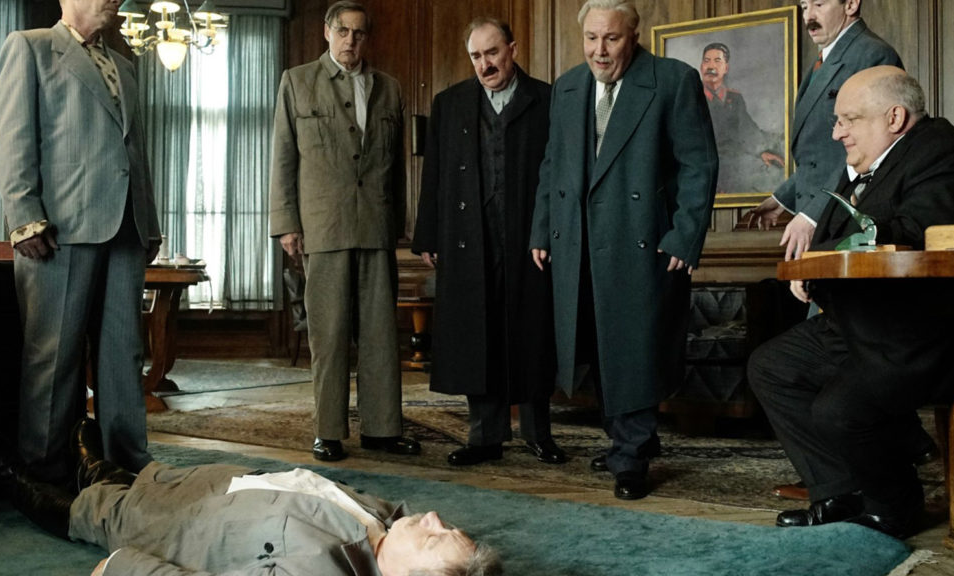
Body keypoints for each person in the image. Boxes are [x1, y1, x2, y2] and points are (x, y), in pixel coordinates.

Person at [747, 66, 954, 538]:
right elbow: (839, 233)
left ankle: (896, 505)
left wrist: (824, 262)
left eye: (849, 119)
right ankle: (841, 490)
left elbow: (916, 236)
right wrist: (815, 271)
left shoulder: (939, 150)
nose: (837, 132)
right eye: (838, 121)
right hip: (856, 323)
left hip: (910, 333)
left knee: (839, 411)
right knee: (771, 367)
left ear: (895, 117)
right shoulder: (873, 162)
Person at [529, 0, 718, 500]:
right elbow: (553, 164)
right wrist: (541, 229)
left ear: (633, 36)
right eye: (591, 38)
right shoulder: (568, 86)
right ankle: (627, 441)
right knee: (596, 344)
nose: (599, 50)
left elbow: (699, 165)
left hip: (642, 240)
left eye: (611, 38)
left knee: (634, 347)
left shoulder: (672, 80)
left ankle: (631, 457)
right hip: (578, 241)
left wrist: (685, 235)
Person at [0, 0, 161, 484]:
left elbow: (135, 152)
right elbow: (12, 137)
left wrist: (148, 223)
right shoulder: (30, 48)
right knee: (54, 356)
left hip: (125, 229)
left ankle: (124, 463)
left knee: (124, 353)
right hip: (58, 230)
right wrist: (25, 216)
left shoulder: (125, 65)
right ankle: (44, 472)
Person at [0, 420, 502, 576]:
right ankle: (96, 467)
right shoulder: (387, 521)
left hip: (184, 522)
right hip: (220, 484)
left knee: (96, 509)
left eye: (434, 538)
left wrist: (122, 569)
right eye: (445, 526)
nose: (435, 517)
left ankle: (9, 477)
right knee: (137, 479)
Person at [269, 1, 420, 462]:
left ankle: (382, 429)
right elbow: (283, 157)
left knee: (380, 335)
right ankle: (328, 432)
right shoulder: (297, 81)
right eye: (343, 31)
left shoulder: (389, 88)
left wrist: (398, 225)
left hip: (375, 226)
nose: (350, 40)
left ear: (366, 38)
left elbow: (396, 167)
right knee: (330, 335)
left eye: (358, 33)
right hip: (323, 226)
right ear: (327, 32)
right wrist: (286, 224)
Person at [411, 18, 564, 467]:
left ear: (512, 49)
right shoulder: (450, 103)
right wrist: (429, 234)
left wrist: (555, 230)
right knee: (477, 334)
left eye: (492, 53)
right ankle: (484, 437)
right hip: (468, 236)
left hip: (530, 236)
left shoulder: (547, 99)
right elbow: (434, 173)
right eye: (476, 56)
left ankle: (539, 434)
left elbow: (561, 173)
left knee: (532, 333)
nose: (485, 64)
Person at [747, 0, 901, 260]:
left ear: (851, 4)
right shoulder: (824, 59)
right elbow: (821, 155)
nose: (809, 16)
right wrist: (782, 198)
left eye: (819, 4)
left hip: (847, 221)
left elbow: (873, 152)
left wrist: (812, 215)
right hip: (825, 218)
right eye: (804, 6)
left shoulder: (872, 54)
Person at [699, 42, 785, 194]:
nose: (711, 66)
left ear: (726, 68)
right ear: (701, 67)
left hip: (733, 161)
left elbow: (746, 128)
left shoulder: (734, 98)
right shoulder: (690, 95)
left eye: (717, 61)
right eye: (707, 61)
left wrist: (761, 151)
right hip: (702, 163)